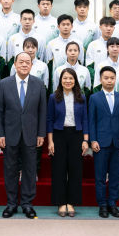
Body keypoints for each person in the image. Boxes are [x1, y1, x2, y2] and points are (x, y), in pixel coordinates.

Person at [0, 52, 47, 219]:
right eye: (21, 62)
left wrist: (41, 133)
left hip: (31, 134)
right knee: (10, 170)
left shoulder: (39, 84)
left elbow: (42, 111)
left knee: (30, 170)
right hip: (10, 134)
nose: (24, 65)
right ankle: (11, 203)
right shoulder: (5, 84)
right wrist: (0, 134)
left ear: (31, 65)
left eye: (27, 62)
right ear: (15, 64)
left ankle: (27, 203)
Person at [88, 66, 119, 218]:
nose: (109, 81)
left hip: (117, 143)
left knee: (114, 175)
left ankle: (112, 203)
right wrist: (93, 140)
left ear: (115, 79)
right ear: (100, 80)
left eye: (112, 78)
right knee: (100, 176)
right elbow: (91, 121)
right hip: (101, 142)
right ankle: (102, 205)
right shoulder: (94, 98)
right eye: (106, 78)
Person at [46, 67, 88, 218]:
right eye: (65, 78)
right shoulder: (53, 97)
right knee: (59, 169)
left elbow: (85, 119)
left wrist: (85, 140)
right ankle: (60, 202)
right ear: (60, 80)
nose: (68, 81)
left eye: (71, 78)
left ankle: (71, 202)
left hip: (76, 135)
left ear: (75, 80)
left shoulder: (81, 97)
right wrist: (50, 141)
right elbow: (49, 120)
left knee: (75, 169)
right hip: (59, 134)